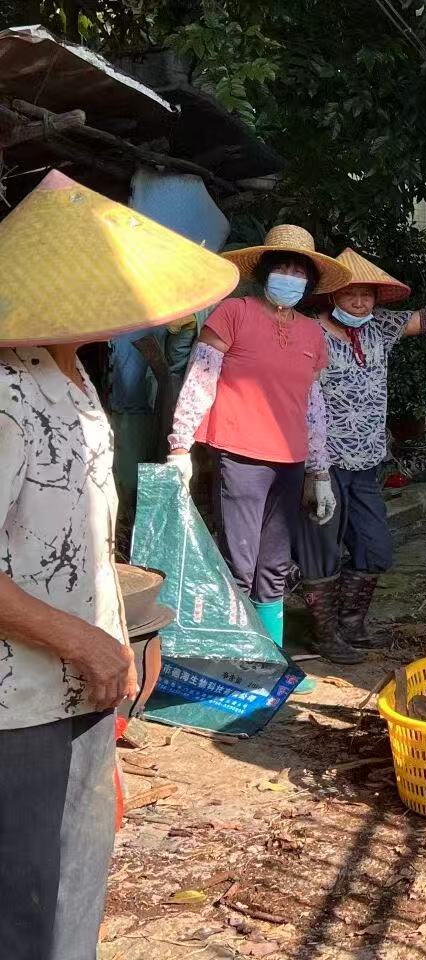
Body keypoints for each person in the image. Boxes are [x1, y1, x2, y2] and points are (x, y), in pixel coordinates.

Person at [0, 170, 239, 959]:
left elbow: (72, 533)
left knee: (76, 883)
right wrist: (85, 641)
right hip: (18, 703)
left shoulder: (72, 374)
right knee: (26, 903)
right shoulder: (5, 389)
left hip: (82, 680)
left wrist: (122, 631)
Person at [292, 248, 426, 660]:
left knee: (375, 547)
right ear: (332, 295)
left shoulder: (380, 327)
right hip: (321, 464)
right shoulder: (309, 333)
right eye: (350, 294)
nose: (359, 302)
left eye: (367, 294)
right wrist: (311, 470)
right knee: (321, 550)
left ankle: (351, 623)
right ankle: (326, 634)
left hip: (367, 462)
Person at [167, 225, 352, 663]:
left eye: (299, 271)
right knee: (240, 561)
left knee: (274, 564)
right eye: (282, 267)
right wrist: (180, 446)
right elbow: (201, 378)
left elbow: (313, 406)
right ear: (265, 272)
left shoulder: (312, 333)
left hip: (291, 461)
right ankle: (233, 662)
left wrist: (320, 472)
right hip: (240, 456)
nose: (290, 277)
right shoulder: (234, 313)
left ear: (309, 282)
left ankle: (269, 661)